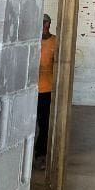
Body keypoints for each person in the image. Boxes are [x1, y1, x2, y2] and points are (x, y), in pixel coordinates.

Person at [35, 14, 57, 167]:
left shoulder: (54, 41)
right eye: (42, 23)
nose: (44, 26)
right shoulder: (32, 41)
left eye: (46, 23)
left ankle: (41, 154)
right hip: (31, 89)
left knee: (44, 124)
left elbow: (58, 63)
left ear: (50, 24)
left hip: (46, 89)